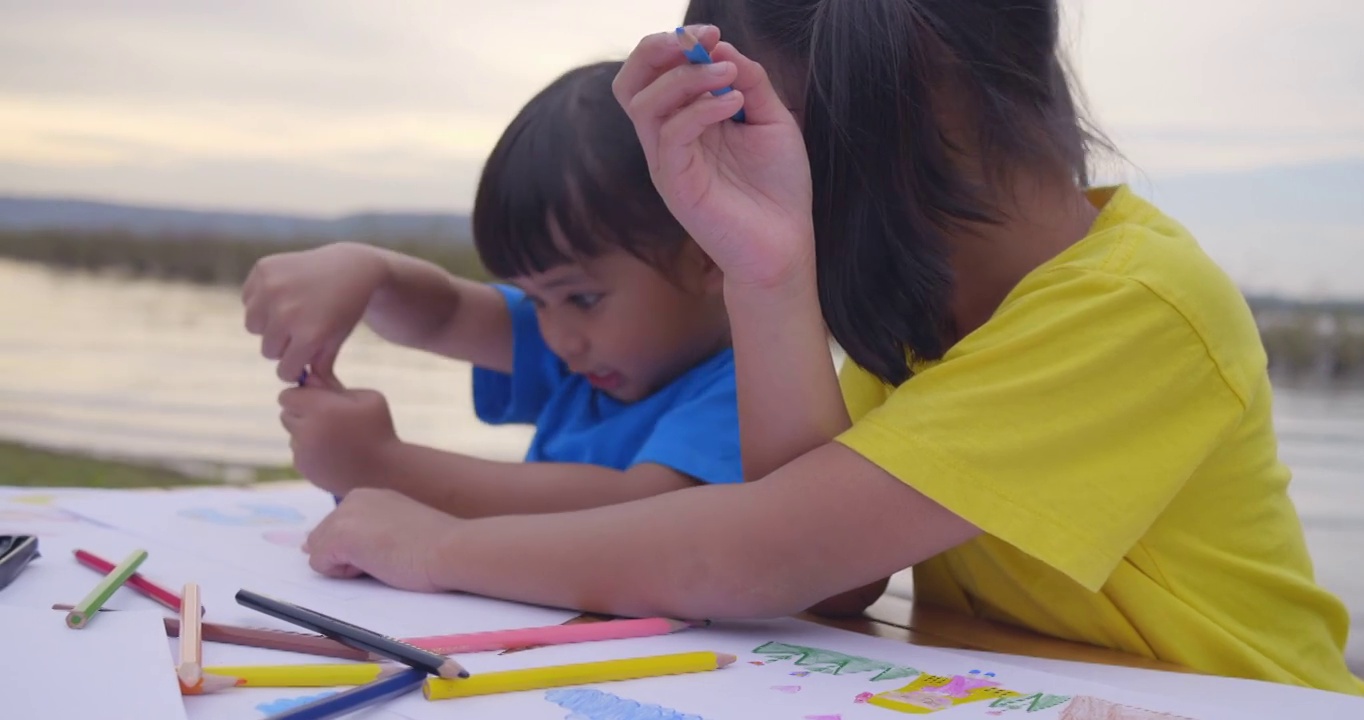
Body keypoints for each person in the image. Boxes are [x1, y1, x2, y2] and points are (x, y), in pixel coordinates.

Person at [300, 1, 1363, 694]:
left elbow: (762, 555)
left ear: (891, 135)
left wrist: (432, 547)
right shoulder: (924, 319)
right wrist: (765, 270)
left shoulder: (1133, 310)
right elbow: (830, 585)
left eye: (769, 156)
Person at [241, 61, 742, 519]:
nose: (561, 339)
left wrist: (383, 465)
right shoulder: (594, 361)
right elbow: (447, 315)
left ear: (707, 255)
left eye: (582, 298)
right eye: (537, 301)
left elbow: (643, 514)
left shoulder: (750, 390)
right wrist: (366, 273)